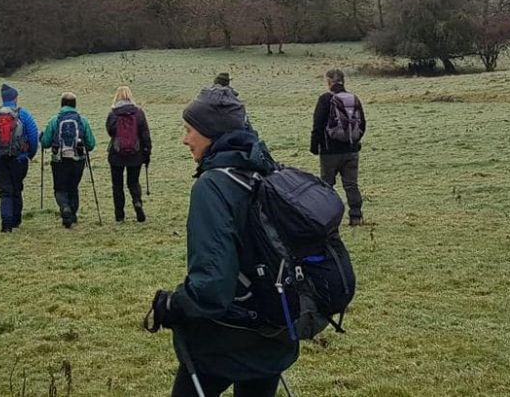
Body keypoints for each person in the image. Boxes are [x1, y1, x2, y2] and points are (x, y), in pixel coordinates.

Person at [146, 85, 298, 396]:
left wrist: (173, 304)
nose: (184, 139)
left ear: (211, 132)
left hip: (229, 338)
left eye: (190, 130)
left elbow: (212, 289)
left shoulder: (213, 185)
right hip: (277, 327)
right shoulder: (265, 171)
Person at [0, 83, 39, 232]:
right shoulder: (23, 114)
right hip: (19, 159)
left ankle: (6, 224)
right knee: (17, 189)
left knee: (5, 191)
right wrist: (29, 155)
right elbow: (33, 136)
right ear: (16, 98)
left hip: (0, 159)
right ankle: (16, 222)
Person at [310, 68, 366, 226]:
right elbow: (362, 124)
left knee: (327, 185)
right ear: (343, 81)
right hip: (351, 150)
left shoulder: (325, 99)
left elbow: (318, 125)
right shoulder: (354, 99)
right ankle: (356, 216)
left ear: (329, 82)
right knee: (351, 184)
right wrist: (354, 142)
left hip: (330, 152)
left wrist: (315, 147)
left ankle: (327, 218)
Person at [42, 92, 98, 228]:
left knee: (60, 189)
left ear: (61, 104)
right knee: (73, 187)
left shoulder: (55, 120)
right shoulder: (82, 120)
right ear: (75, 104)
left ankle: (65, 208)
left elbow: (45, 143)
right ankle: (72, 215)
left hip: (59, 160)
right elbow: (91, 144)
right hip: (77, 159)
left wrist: (41, 137)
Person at [105, 85, 153, 223]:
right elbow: (145, 135)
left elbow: (110, 131)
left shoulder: (113, 113)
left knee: (117, 185)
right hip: (135, 154)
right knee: (133, 182)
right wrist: (147, 152)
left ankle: (119, 215)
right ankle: (137, 202)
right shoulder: (138, 113)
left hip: (116, 154)